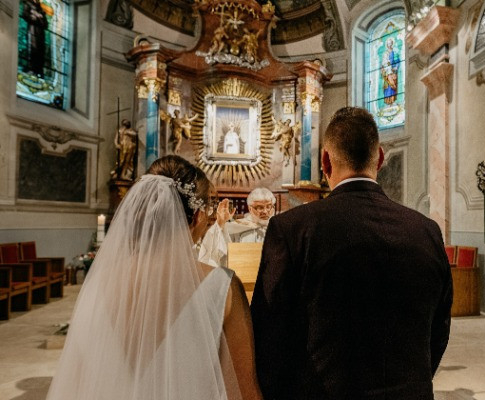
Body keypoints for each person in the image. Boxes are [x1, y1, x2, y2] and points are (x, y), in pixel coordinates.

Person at [251, 107, 453, 400]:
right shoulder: (426, 230)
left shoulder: (292, 229)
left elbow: (269, 332)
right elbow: (439, 328)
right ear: (380, 158)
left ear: (325, 161)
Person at [47, 155, 262, 400]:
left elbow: (77, 382)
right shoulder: (221, 286)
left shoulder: (97, 285)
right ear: (197, 217)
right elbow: (244, 392)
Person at [22, 0, 48, 77]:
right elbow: (25, 15)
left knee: (40, 51)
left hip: (41, 34)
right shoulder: (28, 3)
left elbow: (46, 25)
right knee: (32, 48)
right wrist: (35, 17)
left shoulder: (41, 9)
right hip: (32, 30)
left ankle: (39, 71)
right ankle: (31, 69)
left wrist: (39, 17)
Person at [381, 38, 400, 105]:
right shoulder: (385, 53)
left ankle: (393, 100)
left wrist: (396, 67)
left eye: (390, 43)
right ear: (387, 44)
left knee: (393, 85)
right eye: (388, 43)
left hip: (393, 72)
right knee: (388, 86)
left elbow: (398, 60)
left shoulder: (394, 52)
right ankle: (388, 101)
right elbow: (383, 63)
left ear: (392, 44)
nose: (389, 45)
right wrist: (387, 65)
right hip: (387, 72)